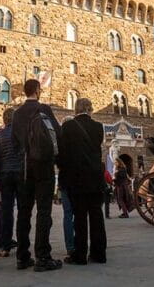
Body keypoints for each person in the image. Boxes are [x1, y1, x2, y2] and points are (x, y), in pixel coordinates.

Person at [12, 79, 63, 272]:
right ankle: (42, 256)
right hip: (43, 165)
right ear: (37, 90)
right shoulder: (44, 109)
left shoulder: (17, 113)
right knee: (43, 210)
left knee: (24, 212)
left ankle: (22, 256)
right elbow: (57, 134)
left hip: (24, 167)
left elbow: (14, 142)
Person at [59, 97, 107, 265]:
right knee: (96, 216)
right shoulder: (98, 127)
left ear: (76, 109)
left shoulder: (67, 127)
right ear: (89, 109)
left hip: (77, 179)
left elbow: (62, 154)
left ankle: (80, 255)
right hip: (96, 178)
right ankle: (99, 254)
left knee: (79, 217)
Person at [0, 106, 22, 257]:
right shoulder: (21, 133)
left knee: (7, 210)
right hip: (20, 173)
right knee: (23, 209)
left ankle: (5, 246)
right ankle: (22, 244)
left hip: (5, 174)